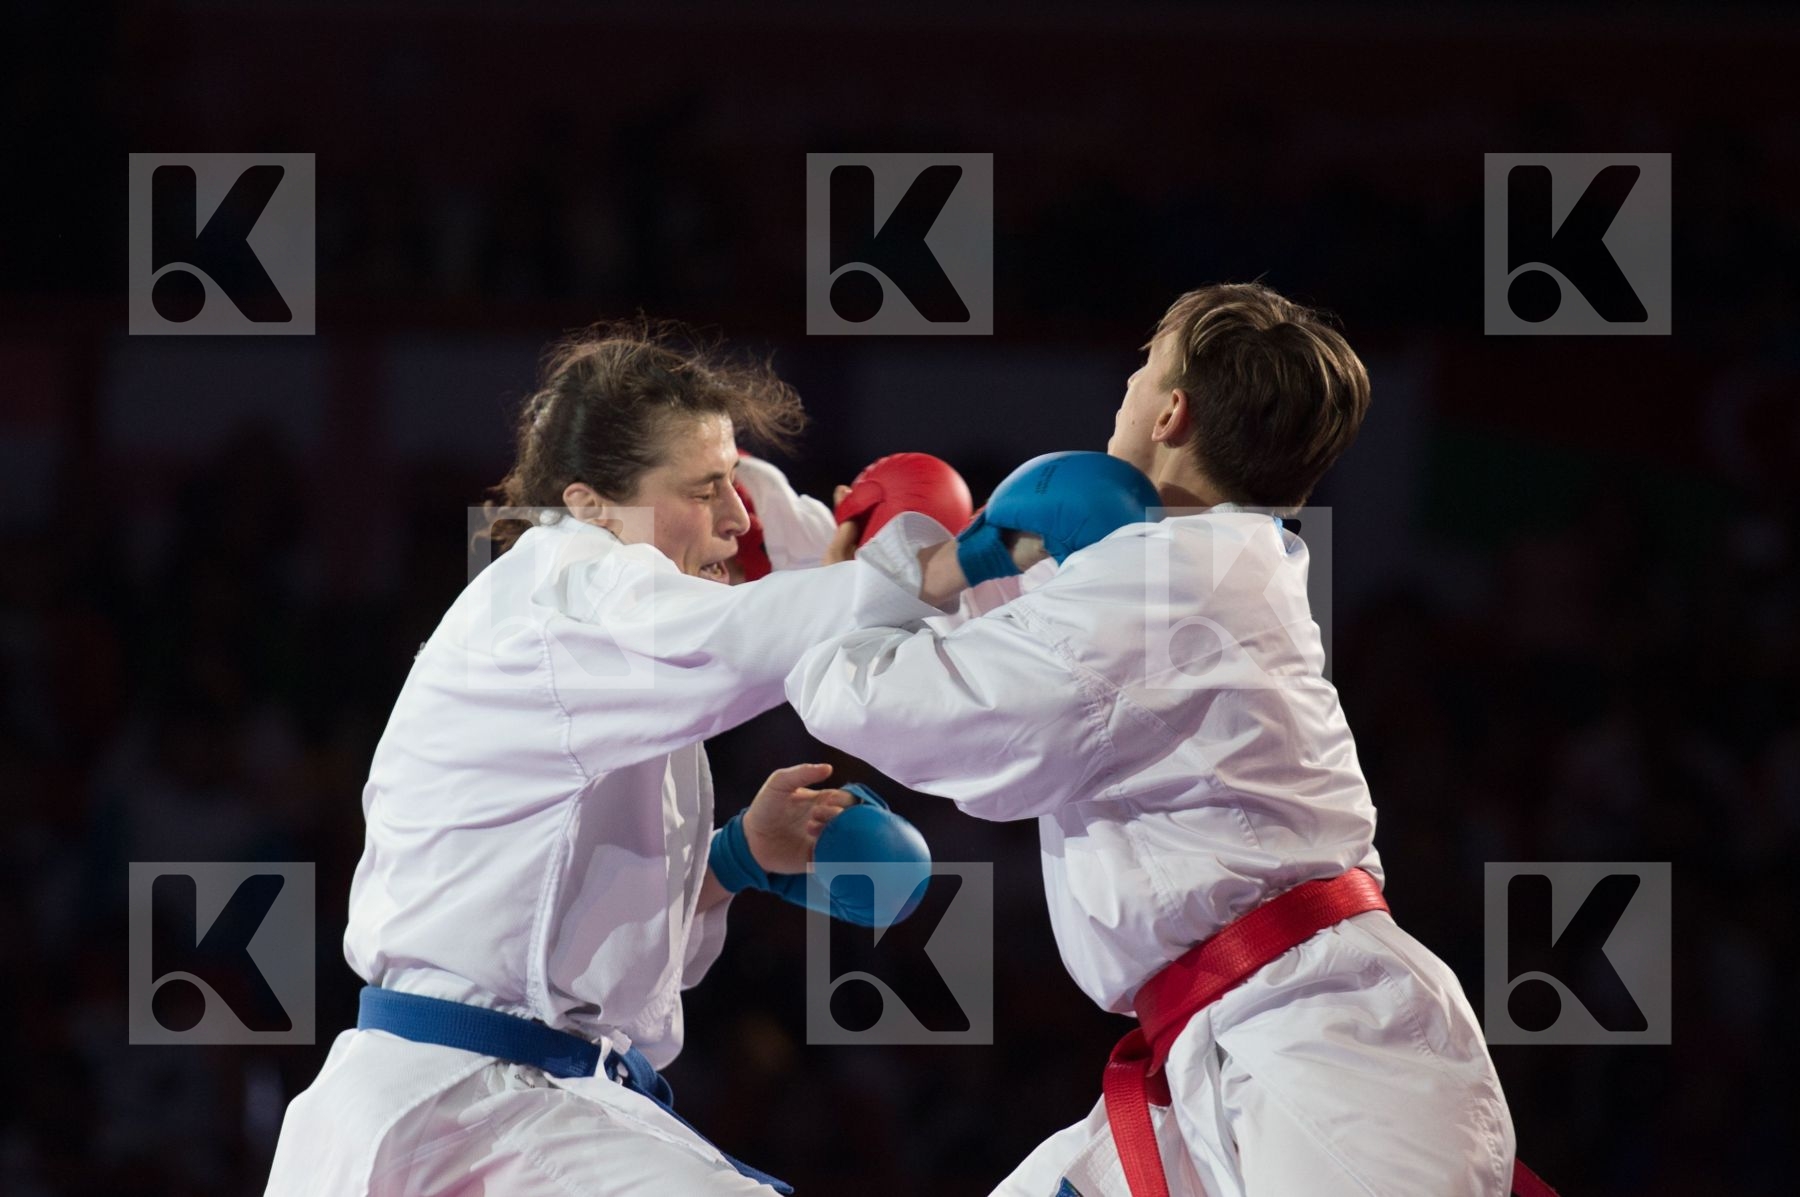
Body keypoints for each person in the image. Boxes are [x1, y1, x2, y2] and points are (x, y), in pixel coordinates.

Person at [788, 284, 1524, 1196]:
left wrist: (863, 577)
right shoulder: (1202, 569)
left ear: (1172, 410)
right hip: (1230, 1048)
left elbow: (877, 698)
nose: (1128, 384)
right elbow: (1022, 650)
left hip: (1332, 1056)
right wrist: (891, 564)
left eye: (1143, 366)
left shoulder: (1165, 586)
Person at [263, 321, 964, 1196]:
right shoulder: (568, 581)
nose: (737, 517)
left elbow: (549, 912)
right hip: (466, 1111)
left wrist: (734, 859)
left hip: (499, 1103)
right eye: (707, 489)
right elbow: (755, 639)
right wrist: (978, 554)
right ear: (595, 502)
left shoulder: (601, 645)